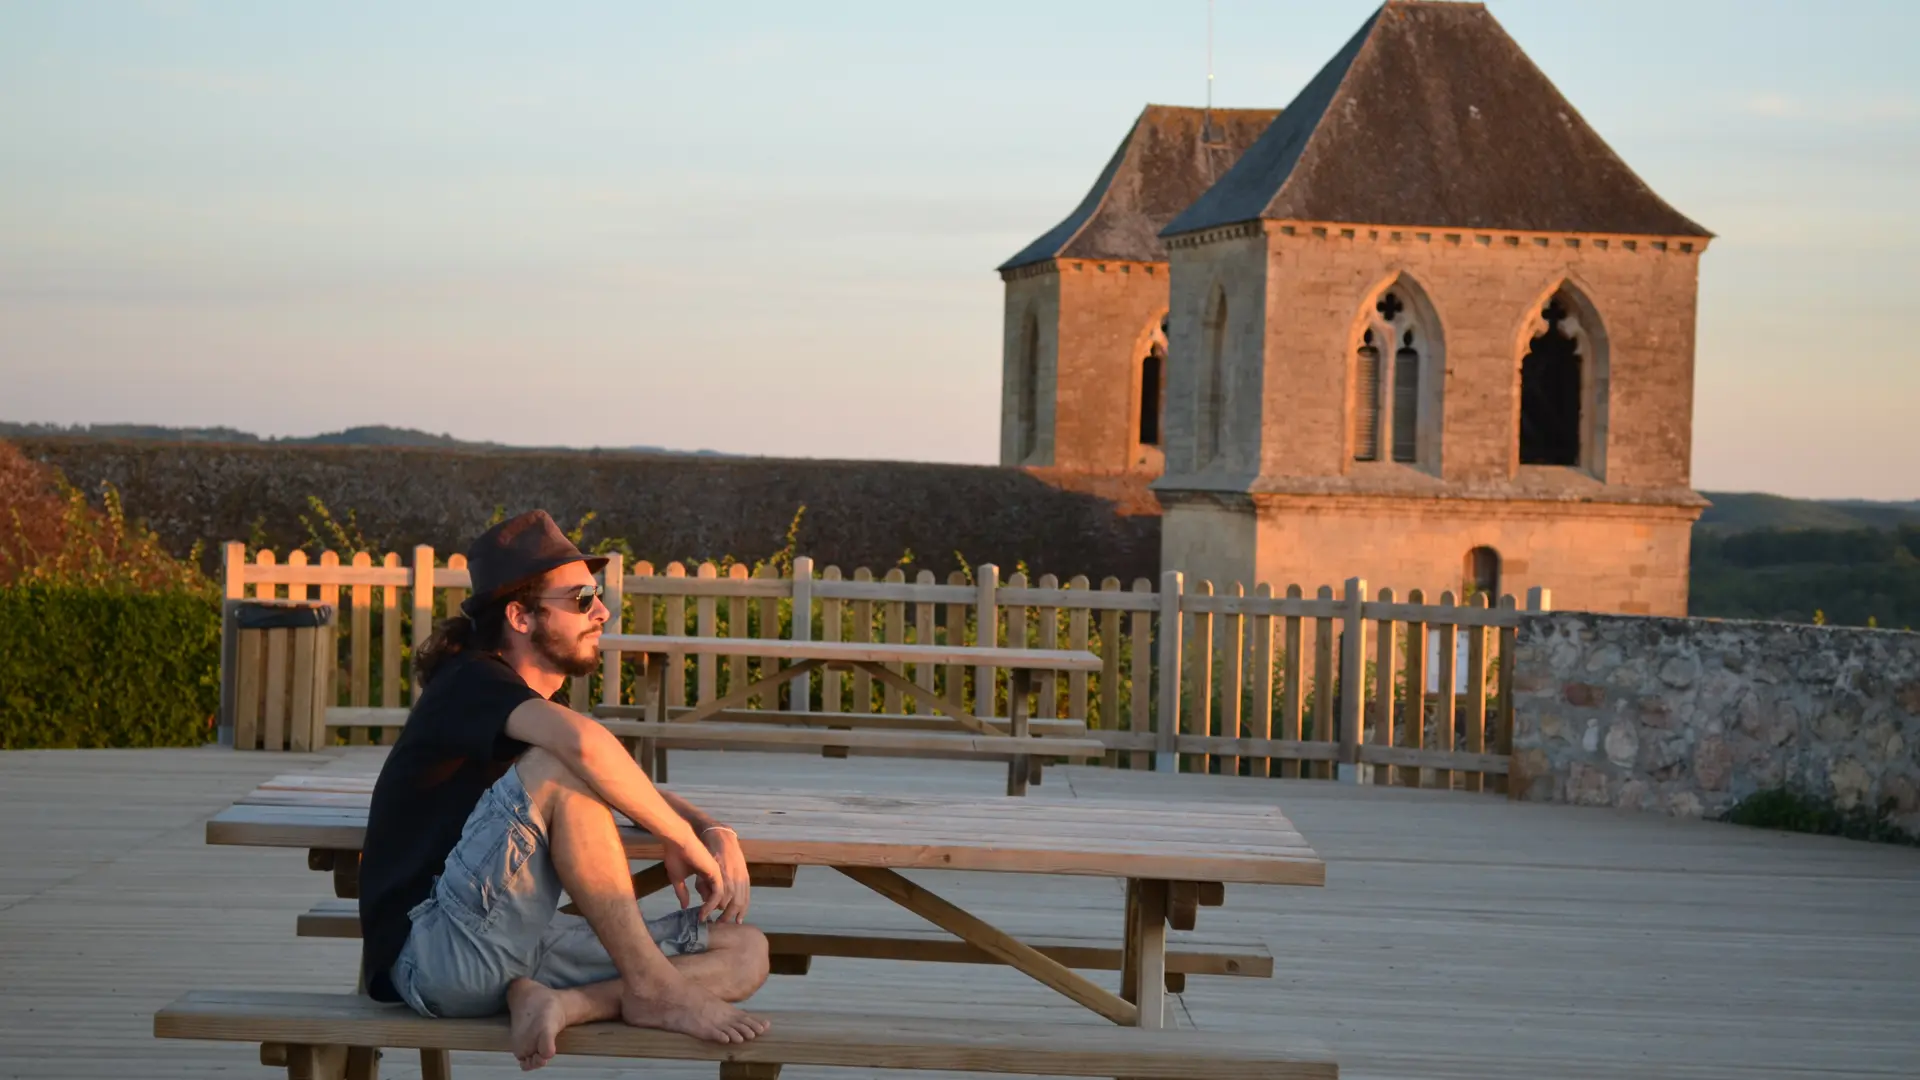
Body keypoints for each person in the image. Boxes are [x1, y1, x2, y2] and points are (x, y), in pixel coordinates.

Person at [358, 510, 771, 1071]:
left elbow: (624, 779)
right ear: (520, 617)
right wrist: (679, 838)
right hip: (434, 954)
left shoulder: (534, 718)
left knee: (746, 952)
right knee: (564, 762)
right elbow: (585, 749)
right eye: (581, 599)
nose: (602, 612)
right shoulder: (471, 682)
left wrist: (709, 830)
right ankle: (653, 987)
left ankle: (568, 1004)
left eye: (598, 596)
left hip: (515, 950)